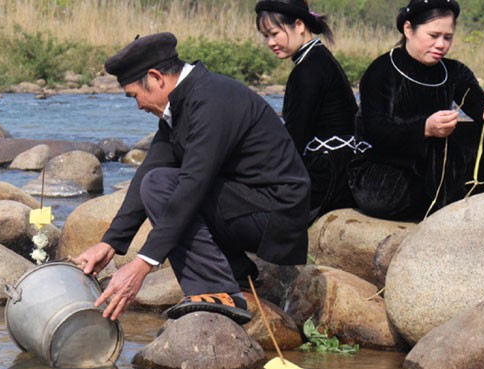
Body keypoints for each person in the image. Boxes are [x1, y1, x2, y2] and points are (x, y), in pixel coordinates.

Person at [75, 32, 311, 325]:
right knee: (155, 180)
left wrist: (143, 263)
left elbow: (192, 185)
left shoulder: (212, 100)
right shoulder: (183, 101)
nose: (138, 106)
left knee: (164, 186)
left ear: (156, 77)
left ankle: (217, 291)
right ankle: (233, 273)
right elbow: (149, 171)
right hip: (245, 203)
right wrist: (111, 243)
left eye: (135, 96)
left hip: (275, 213)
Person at [348, 0, 484, 221]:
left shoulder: (453, 71)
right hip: (385, 173)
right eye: (433, 35)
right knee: (439, 149)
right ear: (408, 29)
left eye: (448, 37)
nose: (441, 45)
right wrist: (424, 128)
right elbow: (376, 131)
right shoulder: (382, 71)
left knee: (476, 137)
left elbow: (477, 105)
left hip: (431, 165)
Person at [255, 0, 358, 222]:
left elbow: (295, 136)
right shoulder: (318, 58)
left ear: (299, 25)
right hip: (340, 168)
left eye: (274, 34)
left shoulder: (308, 70)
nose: (270, 43)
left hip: (327, 177)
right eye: (265, 36)